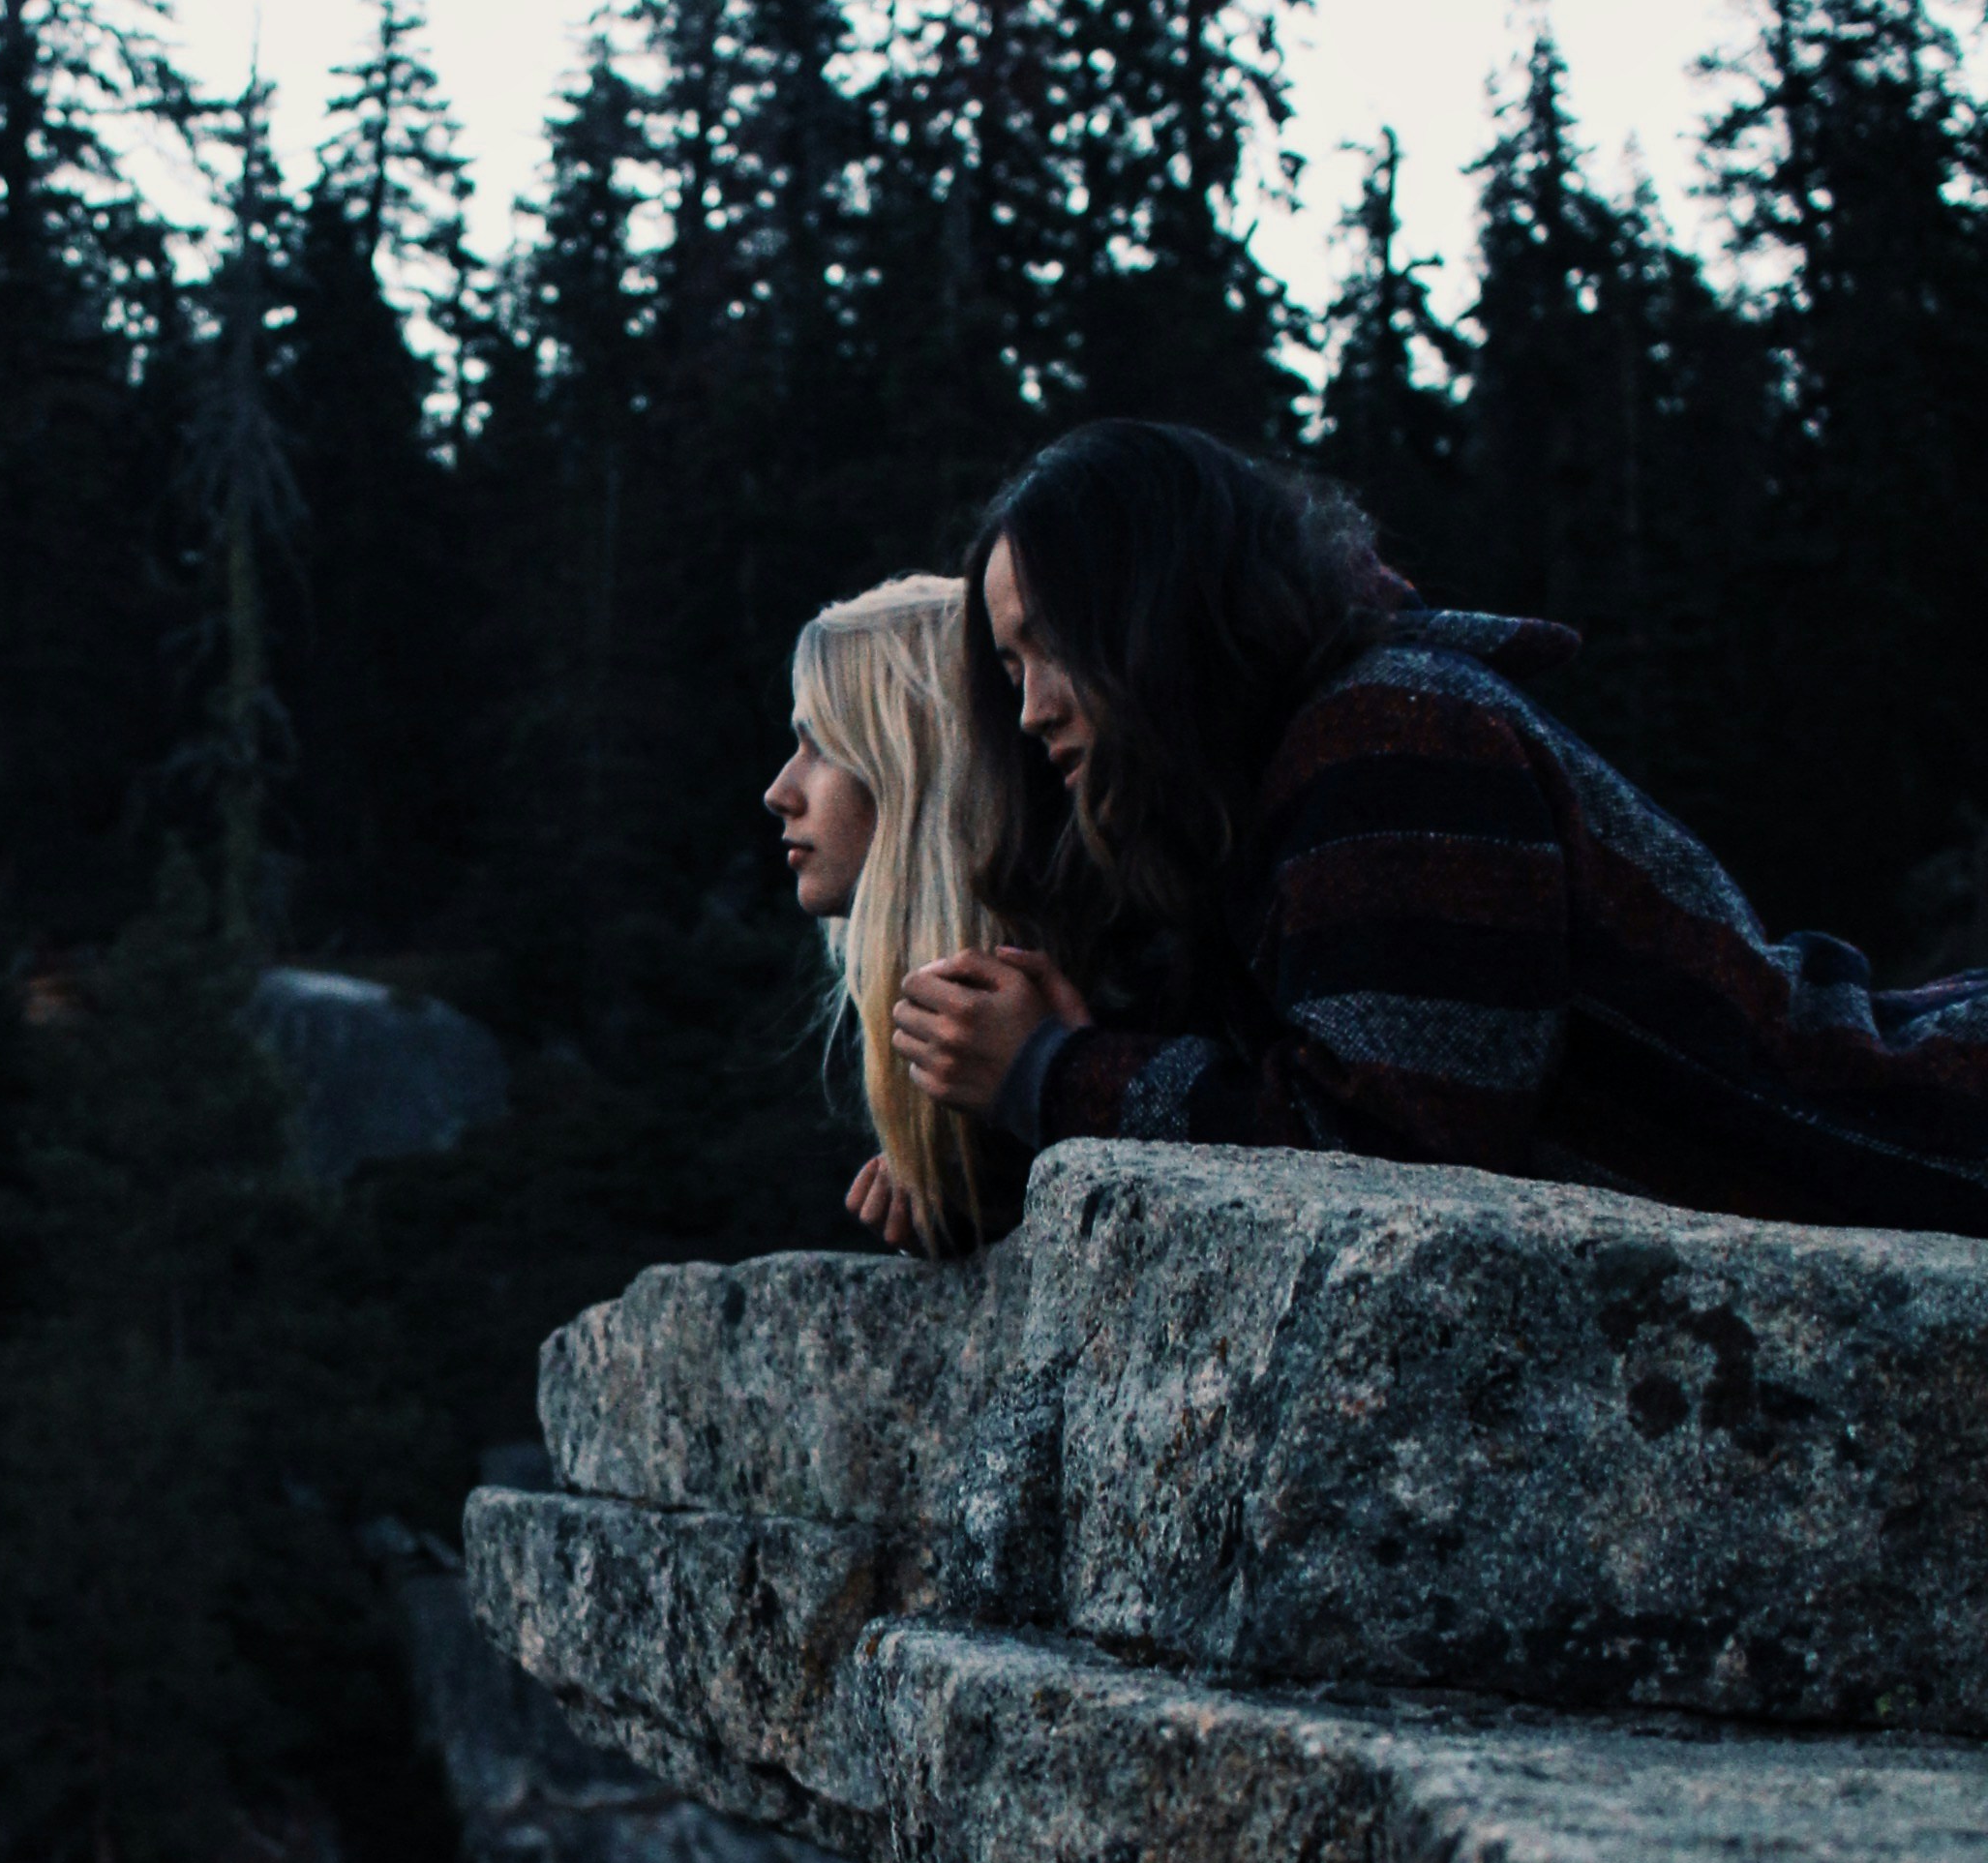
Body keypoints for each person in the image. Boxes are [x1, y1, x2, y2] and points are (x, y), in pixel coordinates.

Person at [890, 414, 1988, 1235]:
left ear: (1156, 613)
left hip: (1924, 1138)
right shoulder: (1290, 786)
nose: (1031, 708)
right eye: (1009, 667)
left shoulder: (1390, 739)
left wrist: (1054, 1072)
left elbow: (1393, 1151)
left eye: (1052, 646)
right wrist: (989, 1144)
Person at [765, 573, 1050, 1252]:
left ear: (918, 768)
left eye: (822, 747)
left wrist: (1048, 1082)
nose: (780, 792)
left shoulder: (1070, 991)